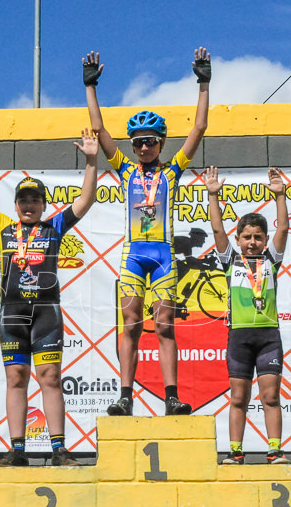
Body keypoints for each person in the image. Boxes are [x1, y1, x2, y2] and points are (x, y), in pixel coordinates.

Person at [0, 129, 99, 466]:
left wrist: (92, 161)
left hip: (46, 313)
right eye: (23, 200)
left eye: (34, 200)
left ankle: (59, 449)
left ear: (44, 205)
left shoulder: (54, 227)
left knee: (50, 378)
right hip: (12, 315)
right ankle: (17, 450)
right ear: (15, 205)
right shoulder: (3, 225)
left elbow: (86, 200)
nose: (29, 205)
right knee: (16, 379)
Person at [83, 47, 211, 416]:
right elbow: (100, 131)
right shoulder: (125, 170)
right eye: (137, 141)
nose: (142, 147)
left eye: (149, 141)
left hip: (164, 254)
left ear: (161, 144)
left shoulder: (172, 172)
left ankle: (171, 396)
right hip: (134, 253)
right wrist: (90, 87)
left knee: (166, 324)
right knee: (131, 324)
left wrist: (203, 82)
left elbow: (199, 128)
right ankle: (126, 395)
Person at [205, 165, 291, 465]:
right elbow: (217, 229)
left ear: (265, 240)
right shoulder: (230, 260)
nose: (252, 242)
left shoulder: (271, 259)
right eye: (246, 237)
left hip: (268, 336)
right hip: (239, 336)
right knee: (238, 398)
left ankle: (275, 449)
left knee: (270, 397)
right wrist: (213, 196)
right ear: (238, 239)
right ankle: (236, 451)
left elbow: (283, 229)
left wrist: (280, 196)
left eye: (257, 237)